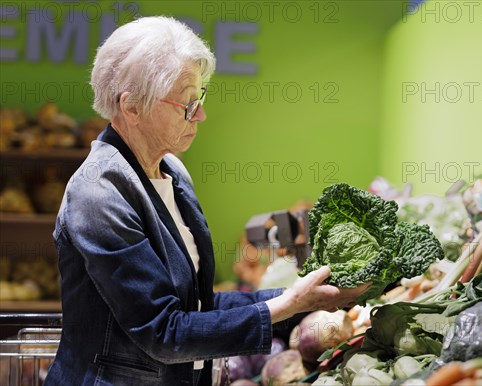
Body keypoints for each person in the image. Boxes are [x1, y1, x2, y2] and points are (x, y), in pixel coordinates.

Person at [44, 16, 369, 386]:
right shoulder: (98, 195)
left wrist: (301, 298)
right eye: (186, 104)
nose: (200, 114)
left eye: (200, 98)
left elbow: (198, 306)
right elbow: (164, 332)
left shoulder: (172, 171)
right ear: (132, 107)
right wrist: (290, 305)